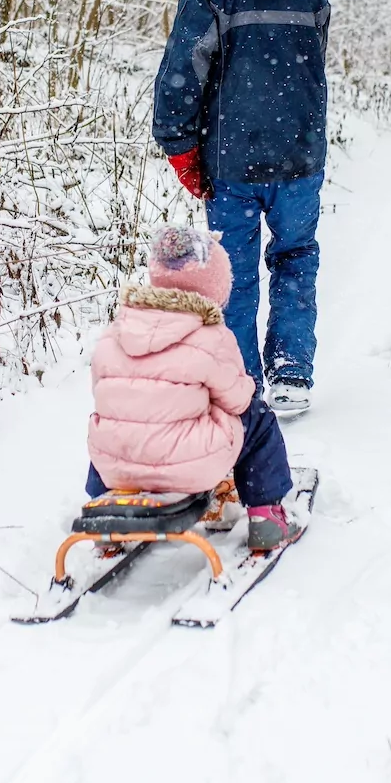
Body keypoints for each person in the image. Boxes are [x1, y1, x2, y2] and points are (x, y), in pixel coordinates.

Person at [151, 0, 330, 417]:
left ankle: (242, 379)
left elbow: (184, 67)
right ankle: (293, 371)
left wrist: (180, 146)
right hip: (300, 154)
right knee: (296, 257)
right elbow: (314, 61)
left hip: (232, 157)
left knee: (234, 269)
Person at [86, 226, 300, 551]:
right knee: (257, 417)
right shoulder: (210, 336)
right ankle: (267, 515)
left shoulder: (116, 331)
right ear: (215, 287)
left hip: (117, 470)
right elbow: (238, 399)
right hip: (190, 466)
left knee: (116, 423)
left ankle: (104, 511)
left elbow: (103, 393)